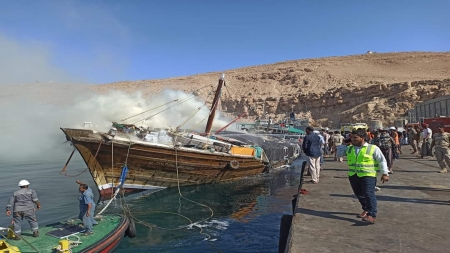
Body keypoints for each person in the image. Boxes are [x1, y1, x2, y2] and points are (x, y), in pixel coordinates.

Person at [345, 129, 389, 224]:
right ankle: (366, 209)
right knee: (359, 194)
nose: (353, 139)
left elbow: (382, 160)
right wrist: (344, 144)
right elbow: (340, 153)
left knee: (368, 194)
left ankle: (372, 215)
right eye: (351, 138)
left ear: (362, 138)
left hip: (368, 175)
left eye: (355, 138)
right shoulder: (350, 148)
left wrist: (385, 173)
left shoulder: (372, 148)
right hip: (354, 175)